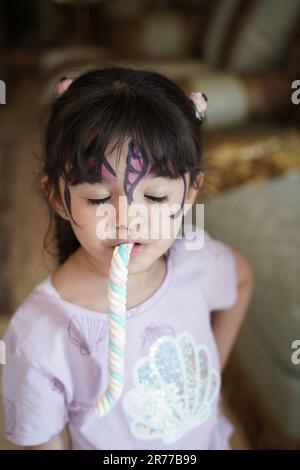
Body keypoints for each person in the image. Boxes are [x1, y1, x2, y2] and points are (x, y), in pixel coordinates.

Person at [1, 66, 253, 450]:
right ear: (57, 198)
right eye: (99, 199)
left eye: (155, 197)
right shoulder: (39, 334)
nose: (129, 219)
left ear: (189, 194)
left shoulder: (199, 261)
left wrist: (212, 373)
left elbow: (242, 278)